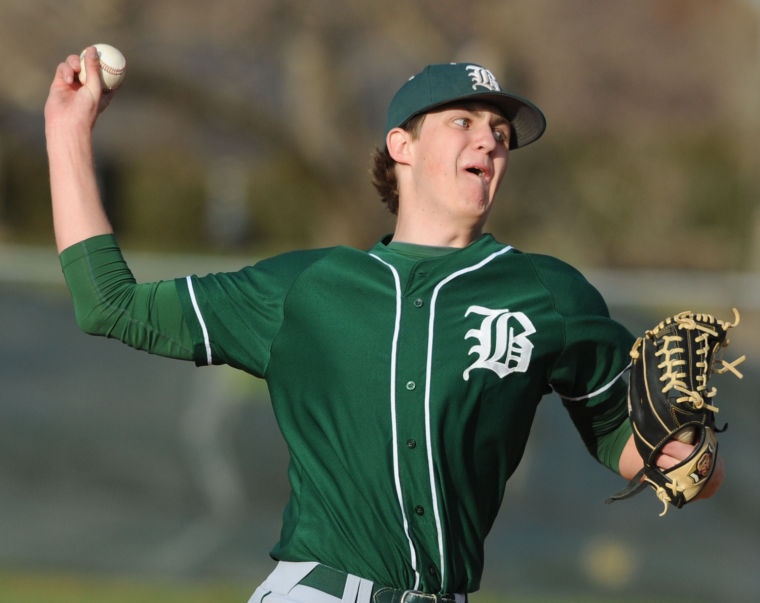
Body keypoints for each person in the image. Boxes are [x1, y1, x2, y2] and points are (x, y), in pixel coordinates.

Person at [45, 50, 724, 603]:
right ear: (402, 143)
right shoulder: (310, 289)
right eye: (463, 120)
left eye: (501, 131)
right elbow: (110, 303)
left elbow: (630, 443)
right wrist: (68, 133)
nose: (490, 137)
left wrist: (689, 451)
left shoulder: (548, 292)